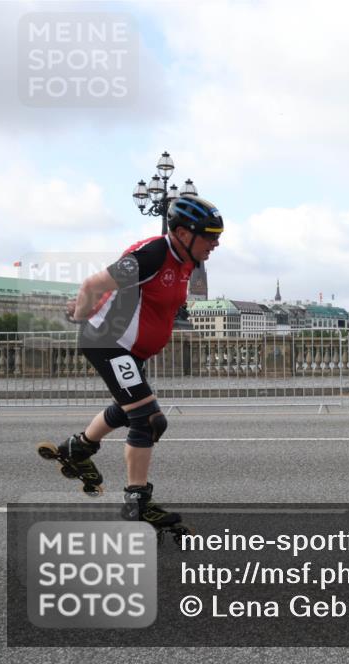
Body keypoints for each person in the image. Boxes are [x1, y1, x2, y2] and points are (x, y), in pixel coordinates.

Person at [41, 195, 223, 527]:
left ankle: (77, 449)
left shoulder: (186, 261)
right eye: (209, 236)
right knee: (148, 419)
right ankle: (137, 503)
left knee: (127, 409)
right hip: (108, 343)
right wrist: (79, 316)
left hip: (130, 349)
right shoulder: (152, 255)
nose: (216, 243)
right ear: (183, 233)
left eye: (218, 236)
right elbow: (93, 284)